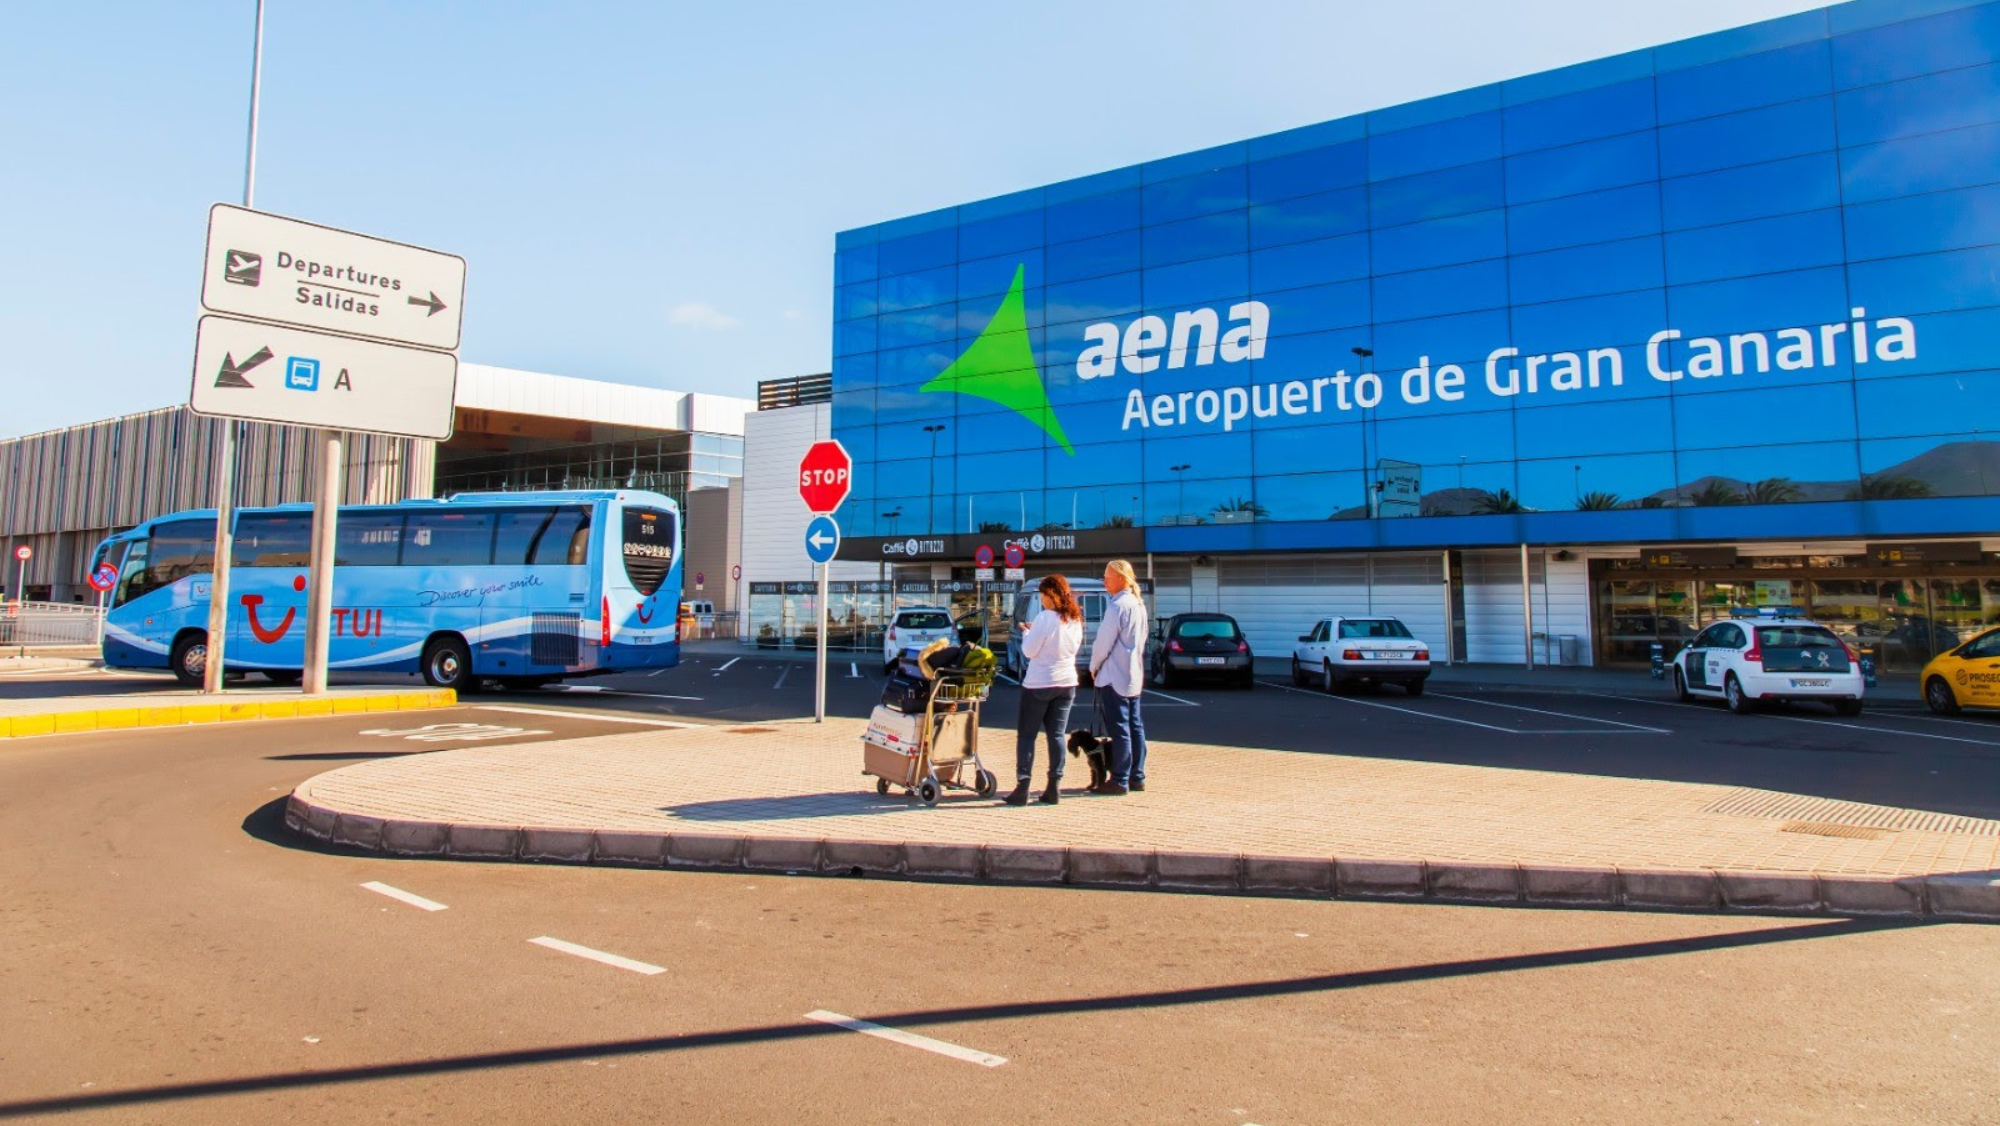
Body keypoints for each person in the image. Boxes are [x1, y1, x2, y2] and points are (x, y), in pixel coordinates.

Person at [1004, 574, 1083, 805]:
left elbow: (1029, 650)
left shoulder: (1044, 618)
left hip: (1039, 682)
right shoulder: (1074, 619)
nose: (1042, 600)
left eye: (1042, 596)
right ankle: (1053, 787)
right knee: (1056, 735)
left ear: (1051, 595)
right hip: (1066, 682)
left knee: (1027, 735)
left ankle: (1022, 787)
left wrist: (1027, 632)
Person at [1088, 559, 1149, 795]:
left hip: (1114, 676)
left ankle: (1119, 779)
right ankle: (1137, 776)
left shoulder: (1117, 607)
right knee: (1135, 726)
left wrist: (1094, 666)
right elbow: (1142, 640)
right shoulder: (1138, 605)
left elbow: (1103, 642)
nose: (1104, 581)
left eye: (1107, 577)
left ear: (1122, 579)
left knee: (1120, 728)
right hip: (1133, 674)